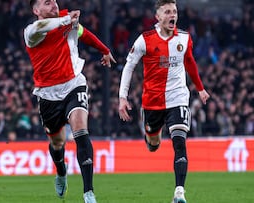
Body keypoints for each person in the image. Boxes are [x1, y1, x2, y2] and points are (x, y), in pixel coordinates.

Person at [118, 0, 210, 203]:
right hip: (152, 102)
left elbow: (190, 62)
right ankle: (152, 137)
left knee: (179, 141)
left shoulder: (184, 38)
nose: (172, 15)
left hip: (178, 98)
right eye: (167, 12)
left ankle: (179, 192)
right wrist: (122, 97)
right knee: (153, 144)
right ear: (157, 17)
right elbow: (129, 67)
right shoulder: (145, 40)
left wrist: (200, 89)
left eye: (174, 11)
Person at [24, 0, 116, 202]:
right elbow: (43, 26)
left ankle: (88, 192)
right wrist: (66, 19)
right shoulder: (31, 31)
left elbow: (84, 34)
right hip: (48, 94)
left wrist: (105, 50)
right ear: (36, 10)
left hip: (74, 84)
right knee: (57, 143)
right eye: (47, 3)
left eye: (54, 0)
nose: (53, 4)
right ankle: (61, 171)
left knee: (80, 130)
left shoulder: (68, 21)